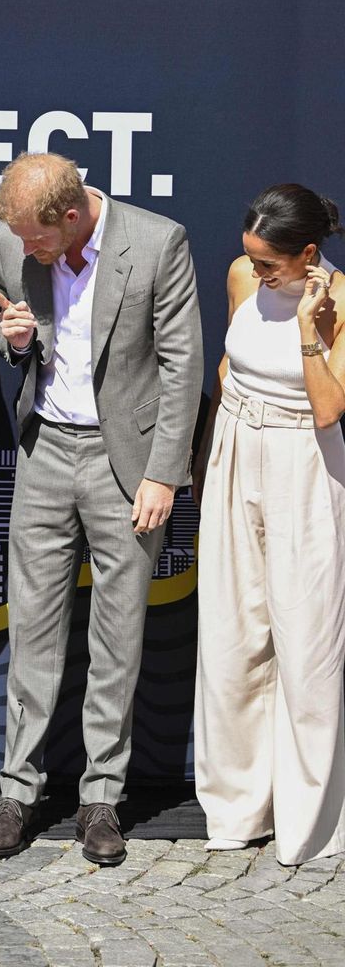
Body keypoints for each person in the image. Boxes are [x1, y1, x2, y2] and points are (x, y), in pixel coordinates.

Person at [0, 152, 203, 864]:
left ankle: (100, 798)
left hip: (125, 465)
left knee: (118, 636)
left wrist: (164, 474)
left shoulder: (157, 242)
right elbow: (0, 314)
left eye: (35, 238)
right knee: (33, 629)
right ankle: (17, 792)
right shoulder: (16, 237)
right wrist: (10, 340)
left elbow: (181, 362)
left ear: (70, 216)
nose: (24, 250)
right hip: (44, 451)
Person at [194, 183, 345, 865]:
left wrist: (312, 330)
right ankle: (235, 809)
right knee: (230, 634)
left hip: (304, 462)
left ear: (307, 254)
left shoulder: (341, 305)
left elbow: (327, 411)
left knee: (307, 643)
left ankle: (308, 823)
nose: (254, 273)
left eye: (268, 266)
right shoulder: (236, 275)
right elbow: (230, 363)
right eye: (251, 260)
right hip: (235, 451)